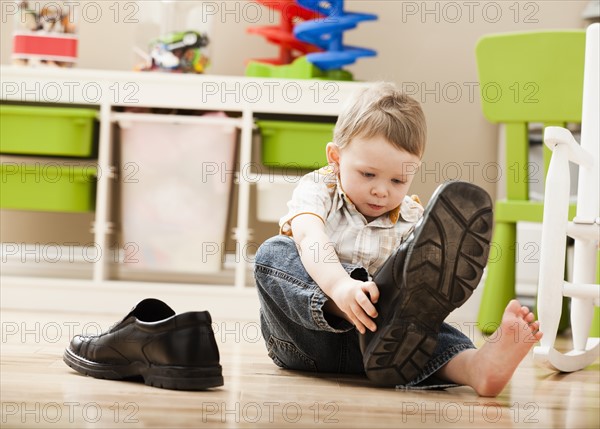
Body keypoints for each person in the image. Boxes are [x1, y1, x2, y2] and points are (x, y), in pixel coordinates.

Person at [254, 82, 543, 397]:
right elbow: (310, 236)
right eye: (368, 174)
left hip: (378, 351)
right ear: (335, 158)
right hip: (303, 342)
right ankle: (342, 305)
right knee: (273, 254)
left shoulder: (415, 221)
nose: (382, 190)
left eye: (398, 180)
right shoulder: (319, 189)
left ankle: (475, 367)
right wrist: (340, 287)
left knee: (420, 328)